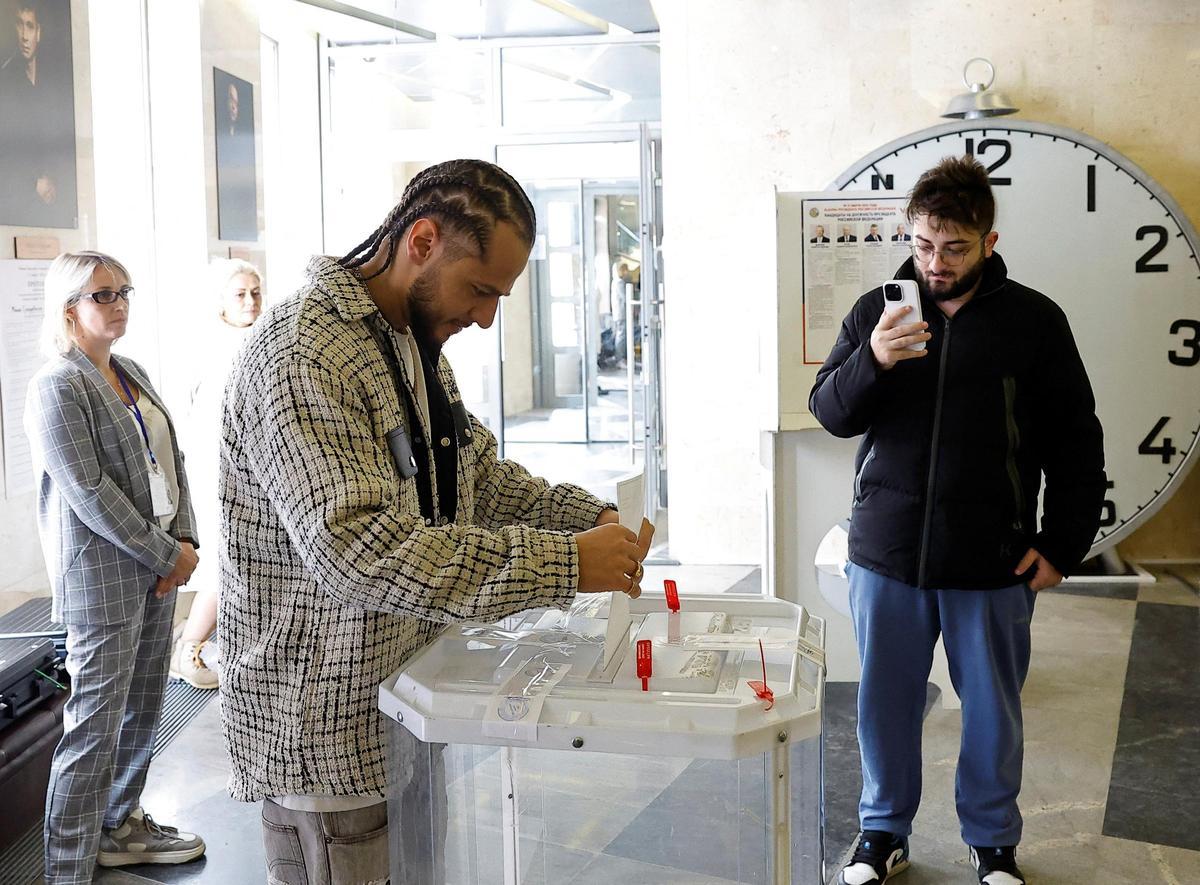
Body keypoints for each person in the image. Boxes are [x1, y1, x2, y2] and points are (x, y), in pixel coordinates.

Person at [219, 159, 650, 884]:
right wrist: (568, 563)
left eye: (499, 296)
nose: (485, 317)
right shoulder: (302, 352)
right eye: (480, 289)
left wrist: (594, 516)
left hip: (407, 702)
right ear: (421, 240)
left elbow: (476, 474)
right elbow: (360, 552)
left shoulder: (409, 342)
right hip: (328, 729)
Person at [810, 157, 1105, 885]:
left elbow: (1077, 439)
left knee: (993, 714)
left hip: (993, 557)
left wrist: (1062, 544)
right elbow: (830, 411)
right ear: (909, 234)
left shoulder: (1034, 321)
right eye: (922, 245)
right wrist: (872, 360)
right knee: (884, 705)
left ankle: (993, 841)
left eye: (954, 248)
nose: (935, 264)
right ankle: (883, 834)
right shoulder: (878, 310)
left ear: (989, 240)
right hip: (887, 555)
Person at [25, 251, 207, 884]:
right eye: (104, 294)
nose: (120, 303)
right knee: (93, 729)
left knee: (143, 708)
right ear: (69, 306)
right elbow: (91, 492)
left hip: (158, 567)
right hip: (102, 578)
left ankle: (118, 824)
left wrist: (184, 545)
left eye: (124, 291)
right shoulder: (58, 385)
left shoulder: (130, 371)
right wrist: (166, 556)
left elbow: (171, 462)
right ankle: (67, 867)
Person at [169, 259, 264, 689]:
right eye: (240, 294)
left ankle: (228, 647)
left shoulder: (265, 338)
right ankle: (189, 648)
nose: (250, 301)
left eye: (255, 291)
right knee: (227, 563)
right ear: (221, 301)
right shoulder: (211, 346)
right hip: (219, 471)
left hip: (258, 470)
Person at [0, 0, 78, 228]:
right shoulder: (5, 81)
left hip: (54, 204)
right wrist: (35, 181)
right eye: (19, 25)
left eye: (30, 26)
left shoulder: (53, 82)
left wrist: (53, 181)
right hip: (19, 203)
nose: (24, 35)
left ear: (39, 32)